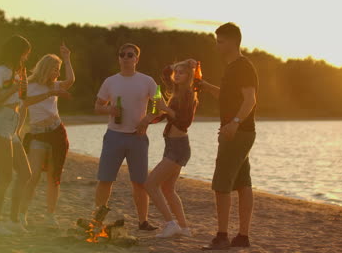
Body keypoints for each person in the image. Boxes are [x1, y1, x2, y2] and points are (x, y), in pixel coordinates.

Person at [201, 22, 259, 250]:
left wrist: (234, 124)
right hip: (239, 132)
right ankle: (243, 237)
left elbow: (250, 100)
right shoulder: (232, 68)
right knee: (243, 183)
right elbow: (227, 97)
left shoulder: (243, 66)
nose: (217, 45)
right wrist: (206, 87)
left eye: (220, 41)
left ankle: (222, 236)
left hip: (237, 133)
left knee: (221, 184)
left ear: (233, 42)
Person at [94, 43, 158, 231]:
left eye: (130, 55)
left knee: (139, 181)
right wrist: (109, 109)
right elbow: (97, 106)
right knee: (105, 179)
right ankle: (97, 219)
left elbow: (158, 103)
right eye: (122, 55)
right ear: (118, 58)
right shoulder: (110, 81)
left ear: (137, 59)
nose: (126, 58)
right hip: (114, 135)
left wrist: (147, 119)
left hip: (137, 137)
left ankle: (143, 222)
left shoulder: (147, 81)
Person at [18, 43, 75, 229]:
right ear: (46, 68)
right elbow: (25, 102)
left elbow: (71, 80)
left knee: (53, 176)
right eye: (55, 69)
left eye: (59, 70)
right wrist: (50, 92)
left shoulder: (55, 84)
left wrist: (67, 59)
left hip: (57, 133)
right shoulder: (31, 85)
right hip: (38, 134)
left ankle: (50, 216)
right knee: (32, 176)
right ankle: (21, 214)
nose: (58, 73)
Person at [144, 59, 199, 238]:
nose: (177, 74)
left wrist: (165, 108)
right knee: (168, 189)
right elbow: (166, 71)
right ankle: (184, 228)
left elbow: (185, 122)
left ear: (189, 76)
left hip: (179, 147)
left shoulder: (189, 93)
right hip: (172, 146)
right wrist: (184, 63)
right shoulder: (176, 91)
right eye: (177, 72)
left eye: (182, 72)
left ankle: (170, 223)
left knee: (150, 184)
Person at [0, 35, 32, 235]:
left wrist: (22, 84)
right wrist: (14, 86)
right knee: (4, 177)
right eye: (24, 54)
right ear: (16, 53)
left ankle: (13, 220)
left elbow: (23, 100)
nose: (25, 58)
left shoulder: (16, 73)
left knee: (25, 173)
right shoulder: (0, 72)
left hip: (12, 127)